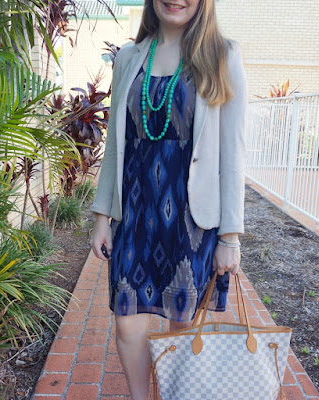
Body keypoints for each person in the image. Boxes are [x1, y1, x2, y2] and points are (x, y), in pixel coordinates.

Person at [89, 0, 248, 398]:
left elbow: (233, 152)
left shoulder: (222, 55)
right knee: (127, 321)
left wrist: (230, 236)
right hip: (136, 210)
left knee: (182, 324)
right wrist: (103, 215)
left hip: (190, 218)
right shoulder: (129, 57)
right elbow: (114, 145)